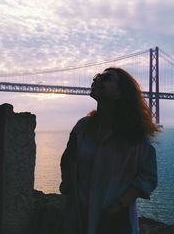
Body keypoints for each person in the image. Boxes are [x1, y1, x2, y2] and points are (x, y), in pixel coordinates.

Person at [59, 67, 159, 234]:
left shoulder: (134, 135)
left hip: (115, 224)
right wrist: (68, 187)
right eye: (97, 76)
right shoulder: (81, 127)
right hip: (79, 219)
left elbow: (148, 176)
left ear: (120, 93)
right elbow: (68, 158)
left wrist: (118, 205)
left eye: (105, 78)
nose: (96, 79)